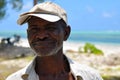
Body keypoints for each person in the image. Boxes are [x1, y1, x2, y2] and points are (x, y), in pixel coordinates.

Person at [6, 1, 103, 80]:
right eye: (34, 29)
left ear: (66, 33)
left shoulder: (91, 77)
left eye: (50, 28)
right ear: (28, 34)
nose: (41, 36)